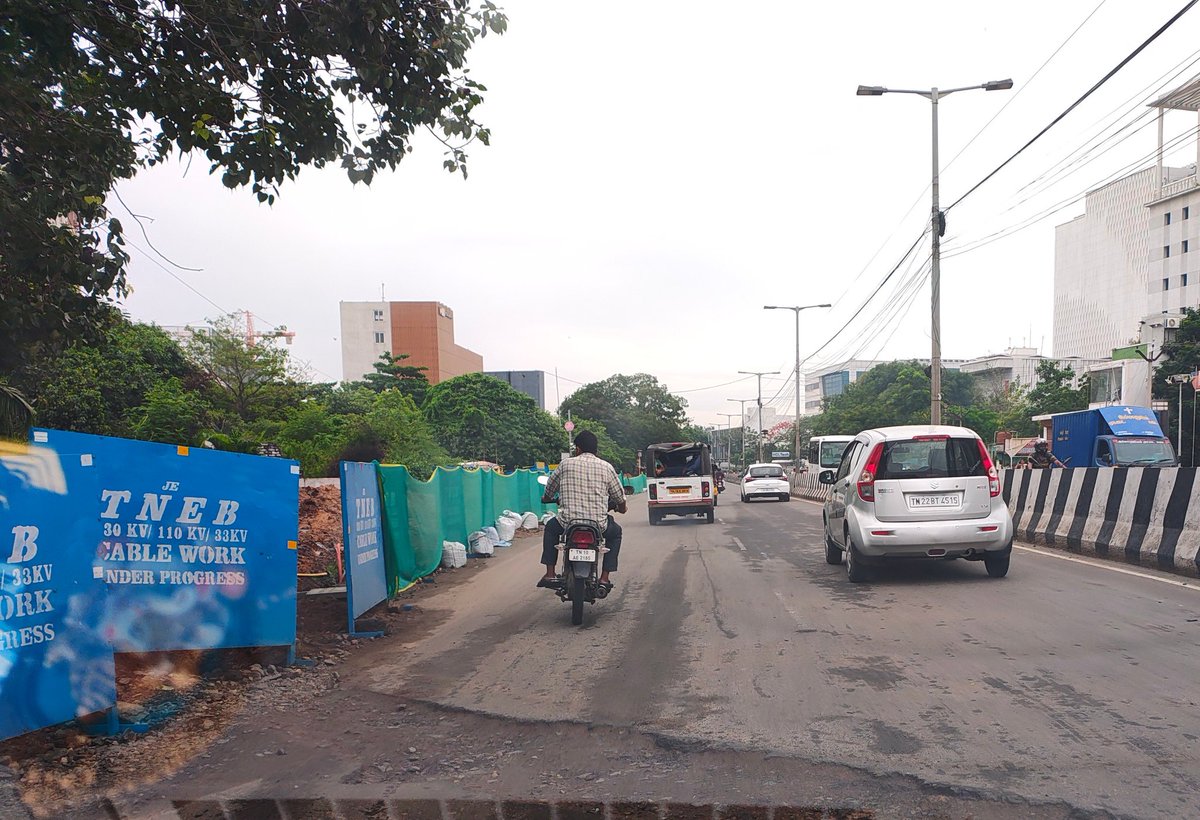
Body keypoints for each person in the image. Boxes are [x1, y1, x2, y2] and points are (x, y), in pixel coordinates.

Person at [538, 430, 627, 591]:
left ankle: (550, 573)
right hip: (598, 525)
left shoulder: (565, 464)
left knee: (551, 528)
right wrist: (621, 508)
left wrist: (546, 497)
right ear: (596, 450)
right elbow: (620, 497)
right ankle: (605, 578)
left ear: (577, 449)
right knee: (616, 533)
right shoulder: (606, 467)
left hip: (567, 523)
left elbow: (549, 489)